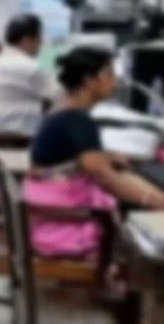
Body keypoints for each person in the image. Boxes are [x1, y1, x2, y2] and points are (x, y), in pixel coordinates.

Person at [25, 47, 164, 261]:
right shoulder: (78, 120)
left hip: (48, 218)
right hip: (67, 229)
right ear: (89, 81)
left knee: (134, 186)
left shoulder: (62, 111)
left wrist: (107, 156)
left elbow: (77, 157)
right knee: (143, 215)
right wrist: (154, 199)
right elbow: (106, 178)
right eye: (108, 74)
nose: (115, 80)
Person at [0, 14, 59, 137]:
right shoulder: (31, 68)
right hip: (27, 135)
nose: (41, 43)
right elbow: (56, 95)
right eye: (39, 38)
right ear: (26, 40)